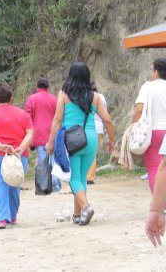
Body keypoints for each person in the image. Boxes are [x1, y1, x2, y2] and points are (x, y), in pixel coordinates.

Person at [45, 62, 115, 226]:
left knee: (73, 178)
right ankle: (77, 214)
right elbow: (108, 120)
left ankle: (86, 207)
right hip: (90, 139)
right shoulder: (95, 96)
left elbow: (57, 119)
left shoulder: (63, 95)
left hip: (72, 139)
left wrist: (50, 141)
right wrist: (112, 140)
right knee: (81, 177)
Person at [0, 82, 34, 229]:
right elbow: (30, 132)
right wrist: (21, 148)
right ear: (11, 98)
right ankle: (12, 215)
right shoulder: (22, 114)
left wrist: (0, 147)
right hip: (18, 155)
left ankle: (2, 219)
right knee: (14, 184)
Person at [131, 58, 166, 193]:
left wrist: (133, 127)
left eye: (152, 70)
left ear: (156, 72)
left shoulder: (148, 86)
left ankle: (161, 206)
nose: (151, 73)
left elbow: (139, 109)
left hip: (155, 132)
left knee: (154, 168)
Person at [24, 76, 61, 192]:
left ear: (37, 87)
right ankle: (55, 185)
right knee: (54, 160)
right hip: (53, 133)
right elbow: (59, 116)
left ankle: (48, 185)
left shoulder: (31, 99)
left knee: (43, 161)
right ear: (48, 87)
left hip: (39, 134)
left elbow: (27, 116)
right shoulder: (55, 99)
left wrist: (27, 133)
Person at [87, 81, 107, 184]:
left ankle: (88, 176)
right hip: (99, 127)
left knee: (87, 152)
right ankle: (90, 177)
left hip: (88, 126)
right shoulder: (101, 97)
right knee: (93, 153)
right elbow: (105, 112)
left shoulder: (86, 97)